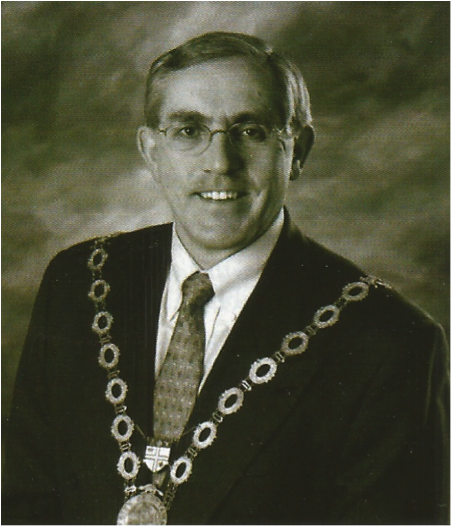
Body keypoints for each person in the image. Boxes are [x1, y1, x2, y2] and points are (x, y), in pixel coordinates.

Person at [2, 32, 450, 527]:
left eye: (250, 131)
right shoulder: (77, 281)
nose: (220, 163)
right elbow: (25, 504)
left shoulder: (389, 342)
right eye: (189, 130)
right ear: (151, 151)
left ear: (297, 150)